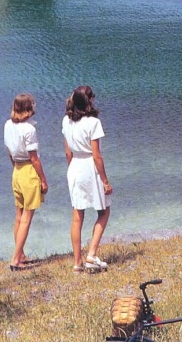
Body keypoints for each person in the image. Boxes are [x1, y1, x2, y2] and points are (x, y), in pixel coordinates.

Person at [62, 85, 112, 272]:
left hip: (74, 167)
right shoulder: (93, 123)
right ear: (89, 101)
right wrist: (105, 181)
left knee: (77, 215)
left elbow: (67, 151)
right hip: (90, 167)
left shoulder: (66, 121)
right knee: (104, 211)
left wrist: (72, 170)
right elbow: (96, 155)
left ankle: (78, 262)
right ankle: (91, 254)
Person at [4, 93, 49, 271]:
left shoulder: (8, 125)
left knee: (18, 215)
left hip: (16, 170)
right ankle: (16, 259)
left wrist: (15, 167)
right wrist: (43, 180)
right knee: (27, 218)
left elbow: (8, 150)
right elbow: (34, 158)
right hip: (29, 171)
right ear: (29, 109)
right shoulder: (29, 130)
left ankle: (20, 254)